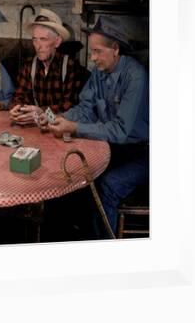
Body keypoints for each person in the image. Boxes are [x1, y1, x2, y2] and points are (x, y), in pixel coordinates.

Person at [47, 15, 149, 238]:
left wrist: (73, 127)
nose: (92, 58)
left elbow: (120, 131)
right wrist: (57, 118)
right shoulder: (99, 73)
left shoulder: (135, 77)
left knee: (108, 185)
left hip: (144, 154)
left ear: (115, 49)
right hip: (115, 149)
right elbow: (85, 107)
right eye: (91, 52)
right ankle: (86, 237)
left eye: (97, 51)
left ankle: (106, 250)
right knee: (78, 176)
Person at [9, 8, 89, 126]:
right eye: (35, 40)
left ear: (57, 42)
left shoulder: (70, 66)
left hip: (61, 127)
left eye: (43, 39)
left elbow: (70, 106)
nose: (38, 46)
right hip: (36, 127)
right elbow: (19, 97)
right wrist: (17, 109)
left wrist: (41, 111)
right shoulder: (29, 66)